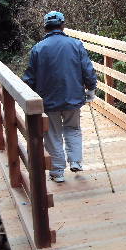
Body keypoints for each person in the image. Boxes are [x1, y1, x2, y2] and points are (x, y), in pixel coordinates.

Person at [22, 11, 97, 183]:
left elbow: (29, 78)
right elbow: (87, 69)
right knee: (73, 128)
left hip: (48, 100)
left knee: (53, 134)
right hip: (73, 97)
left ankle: (57, 172)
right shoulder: (75, 44)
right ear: (62, 25)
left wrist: (28, 97)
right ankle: (76, 161)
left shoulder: (38, 49)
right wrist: (91, 89)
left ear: (45, 27)